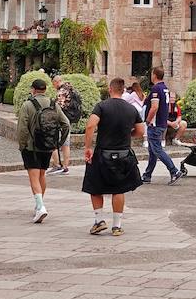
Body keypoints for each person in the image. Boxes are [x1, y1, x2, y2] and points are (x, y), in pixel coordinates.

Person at [82, 77, 145, 236]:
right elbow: (140, 131)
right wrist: (127, 134)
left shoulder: (102, 106)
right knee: (119, 189)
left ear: (110, 89)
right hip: (124, 153)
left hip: (103, 153)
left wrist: (88, 147)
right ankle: (117, 226)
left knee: (95, 187)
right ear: (123, 90)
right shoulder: (131, 109)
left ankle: (99, 221)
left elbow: (90, 125)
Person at [17, 77, 70, 223]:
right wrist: (58, 142)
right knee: (42, 175)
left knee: (33, 177)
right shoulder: (53, 104)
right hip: (47, 145)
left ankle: (40, 207)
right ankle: (39, 204)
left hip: (31, 146)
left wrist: (22, 145)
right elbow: (66, 124)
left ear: (33, 90)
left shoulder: (27, 105)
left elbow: (22, 128)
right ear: (45, 89)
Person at [141, 67, 182, 185]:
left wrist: (148, 121)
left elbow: (154, 107)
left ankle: (174, 171)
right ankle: (147, 175)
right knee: (153, 150)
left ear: (154, 75)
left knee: (157, 150)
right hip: (162, 123)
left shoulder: (156, 88)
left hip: (155, 124)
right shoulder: (164, 88)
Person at [53, 76, 84, 175]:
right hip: (68, 120)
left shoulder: (62, 91)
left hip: (61, 120)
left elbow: (59, 106)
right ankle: (65, 166)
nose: (53, 86)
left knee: (54, 142)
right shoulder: (70, 89)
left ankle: (58, 166)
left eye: (53, 84)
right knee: (66, 143)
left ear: (56, 82)